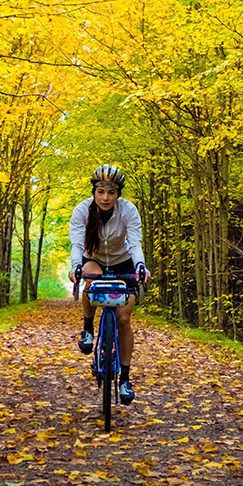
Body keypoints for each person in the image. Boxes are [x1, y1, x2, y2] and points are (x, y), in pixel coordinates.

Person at [69, 164, 149, 405]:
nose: (105, 198)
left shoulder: (129, 211)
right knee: (91, 283)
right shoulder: (82, 211)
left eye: (111, 193)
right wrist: (76, 266)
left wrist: (140, 266)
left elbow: (135, 242)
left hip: (123, 262)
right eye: (101, 191)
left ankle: (124, 379)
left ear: (119, 194)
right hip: (93, 258)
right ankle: (88, 329)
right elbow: (75, 243)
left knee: (124, 319)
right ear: (94, 191)